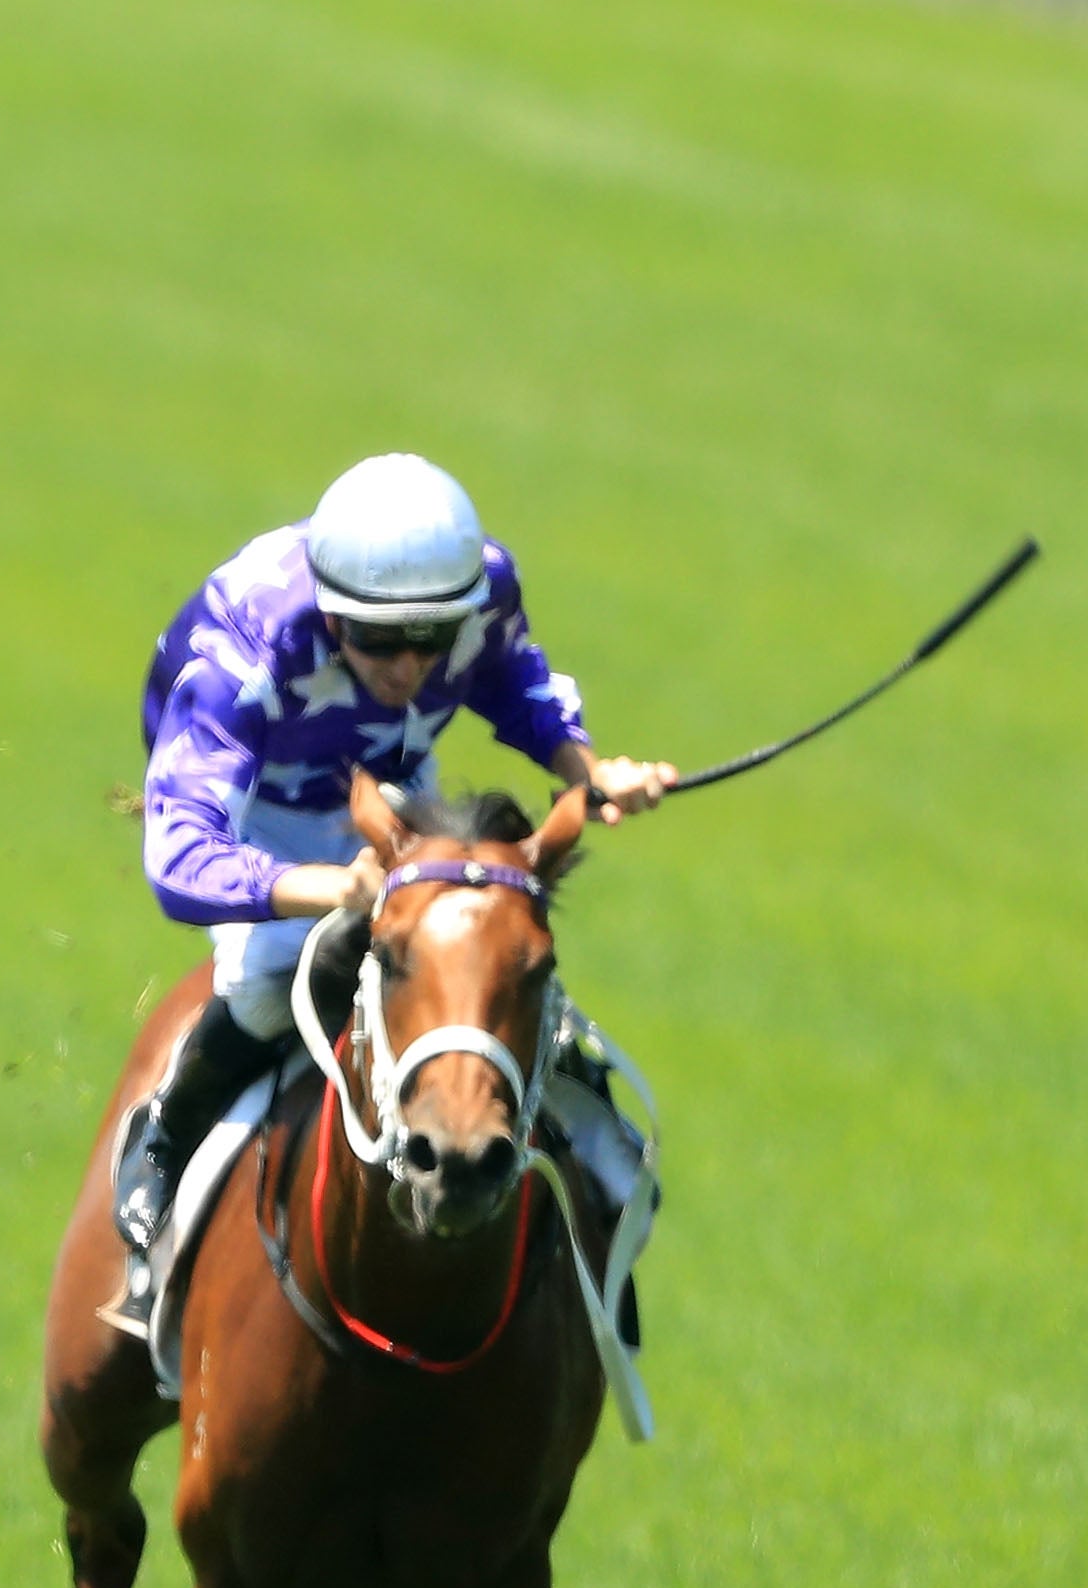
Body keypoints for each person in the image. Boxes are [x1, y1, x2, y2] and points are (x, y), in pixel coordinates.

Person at [113, 453, 676, 1275]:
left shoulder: (477, 587)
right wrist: (333, 888)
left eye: (430, 641)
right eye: (379, 642)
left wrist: (587, 772)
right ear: (333, 615)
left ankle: (569, 1095)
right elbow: (182, 857)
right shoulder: (241, 645)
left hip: (395, 781)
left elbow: (512, 679)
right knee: (273, 976)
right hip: (262, 806)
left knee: (474, 939)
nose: (408, 668)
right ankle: (169, 1128)